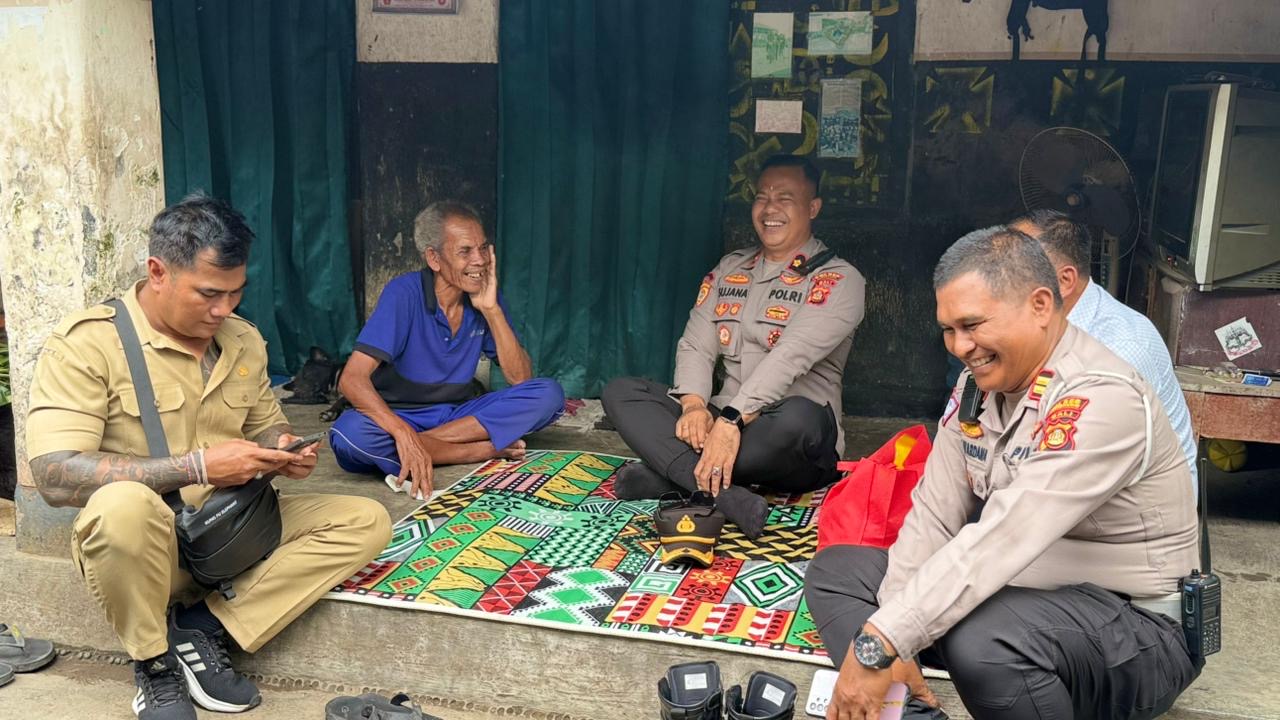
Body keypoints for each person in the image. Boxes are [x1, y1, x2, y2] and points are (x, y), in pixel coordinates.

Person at [805, 227, 1201, 720]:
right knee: (838, 571)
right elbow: (933, 513)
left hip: (1133, 634)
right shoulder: (978, 388)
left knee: (986, 638)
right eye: (948, 329)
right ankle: (913, 715)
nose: (959, 345)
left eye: (972, 324)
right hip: (1016, 601)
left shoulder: (1101, 397)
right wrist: (890, 636)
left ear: (1040, 305)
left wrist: (881, 640)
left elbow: (1004, 536)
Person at [26, 194, 392, 720]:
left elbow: (268, 422)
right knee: (121, 507)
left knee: (365, 520)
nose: (224, 310)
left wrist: (282, 450)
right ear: (157, 271)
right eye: (208, 294)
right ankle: (154, 666)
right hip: (148, 549)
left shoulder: (242, 339)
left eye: (236, 294)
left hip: (231, 533)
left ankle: (204, 628)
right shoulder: (88, 344)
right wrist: (197, 467)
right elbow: (54, 476)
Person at [602, 155, 866, 539]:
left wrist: (731, 421)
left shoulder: (839, 279)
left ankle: (670, 474)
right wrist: (694, 406)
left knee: (800, 420)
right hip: (720, 420)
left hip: (786, 435)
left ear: (813, 208)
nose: (770, 208)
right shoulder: (731, 269)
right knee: (622, 392)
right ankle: (725, 495)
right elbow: (696, 343)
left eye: (786, 198)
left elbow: (790, 356)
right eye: (762, 197)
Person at [328, 201, 564, 500]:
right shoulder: (404, 294)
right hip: (401, 415)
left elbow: (521, 379)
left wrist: (491, 310)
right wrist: (401, 431)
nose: (479, 261)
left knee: (549, 395)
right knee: (349, 435)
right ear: (434, 259)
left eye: (483, 248)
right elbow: (351, 380)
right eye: (465, 251)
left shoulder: (485, 295)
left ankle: (423, 448)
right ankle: (476, 451)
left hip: (458, 416)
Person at [1009, 209, 1199, 496]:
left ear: (1064, 281)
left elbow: (1079, 469)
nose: (995, 283)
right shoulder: (1043, 326)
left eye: (1013, 271)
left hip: (1136, 512)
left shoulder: (1119, 350)